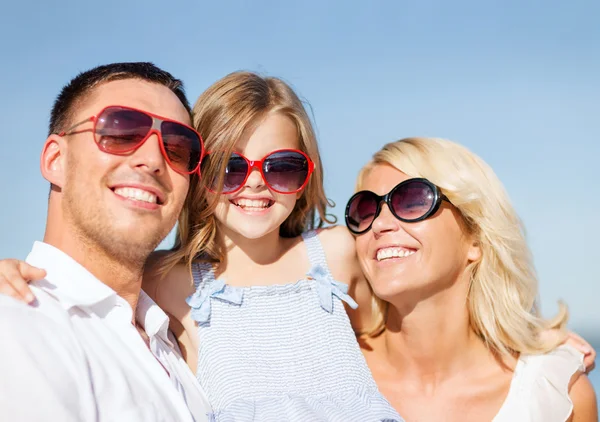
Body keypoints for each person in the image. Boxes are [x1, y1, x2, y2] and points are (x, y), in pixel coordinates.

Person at [0, 62, 211, 421]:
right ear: (55, 160)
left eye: (178, 147)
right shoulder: (17, 324)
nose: (153, 160)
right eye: (121, 131)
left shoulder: (173, 340)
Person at [346, 137, 598, 421]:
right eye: (365, 209)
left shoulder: (555, 395)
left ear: (475, 238)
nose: (379, 224)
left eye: (412, 200)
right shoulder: (319, 376)